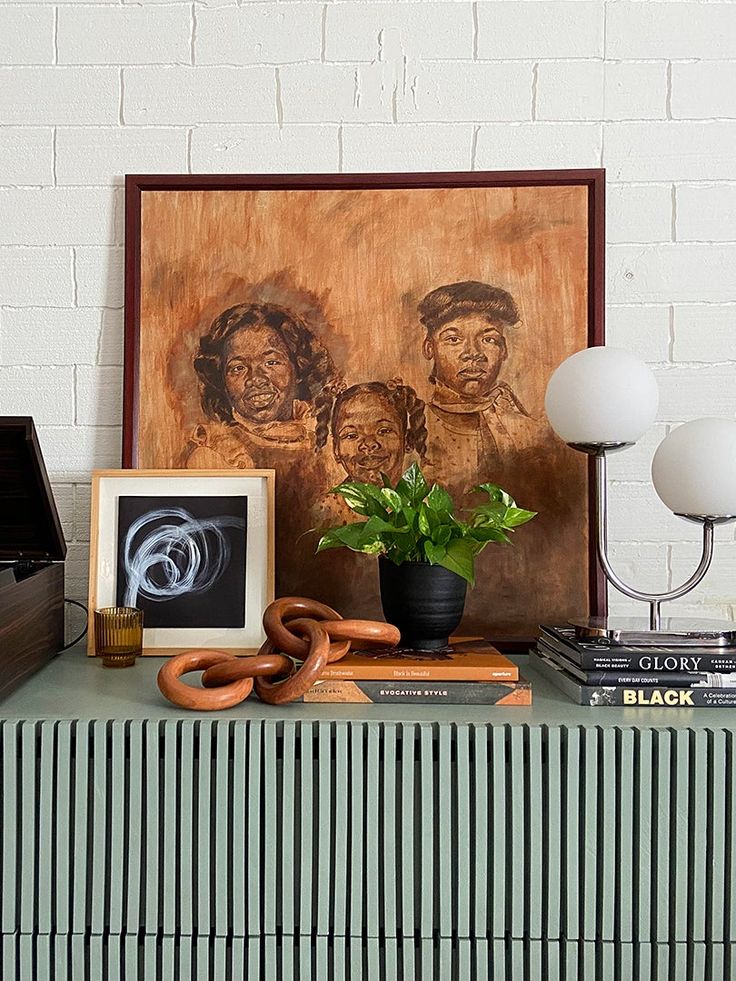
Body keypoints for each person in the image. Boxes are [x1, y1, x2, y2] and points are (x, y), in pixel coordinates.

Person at [184, 301, 343, 470]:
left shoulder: (332, 439)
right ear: (221, 381)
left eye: (271, 362)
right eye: (238, 368)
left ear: (298, 367)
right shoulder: (216, 452)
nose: (256, 378)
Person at [417, 281, 538, 493]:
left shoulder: (527, 432)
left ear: (504, 350)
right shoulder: (415, 428)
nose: (473, 353)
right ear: (429, 348)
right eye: (453, 339)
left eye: (488, 339)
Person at [318, 380, 427, 486]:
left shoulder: (424, 501)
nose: (369, 444)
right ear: (336, 449)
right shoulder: (329, 504)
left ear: (407, 441)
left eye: (384, 431)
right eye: (351, 435)